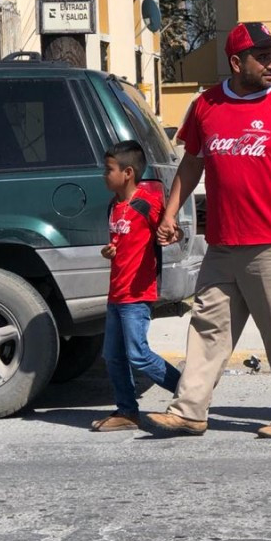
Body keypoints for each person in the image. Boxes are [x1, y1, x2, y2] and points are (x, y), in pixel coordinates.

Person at [147, 21, 271, 438]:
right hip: (221, 245)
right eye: (262, 56)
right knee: (207, 327)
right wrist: (169, 213)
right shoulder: (206, 105)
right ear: (237, 62)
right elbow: (192, 163)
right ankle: (189, 410)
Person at [92, 141, 182, 432]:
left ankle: (190, 395)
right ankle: (127, 412)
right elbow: (121, 242)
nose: (104, 175)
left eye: (109, 170)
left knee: (139, 355)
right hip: (116, 293)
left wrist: (172, 234)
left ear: (128, 172)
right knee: (113, 356)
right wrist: (110, 251)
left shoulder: (147, 203)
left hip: (137, 294)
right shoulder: (114, 205)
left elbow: (172, 230)